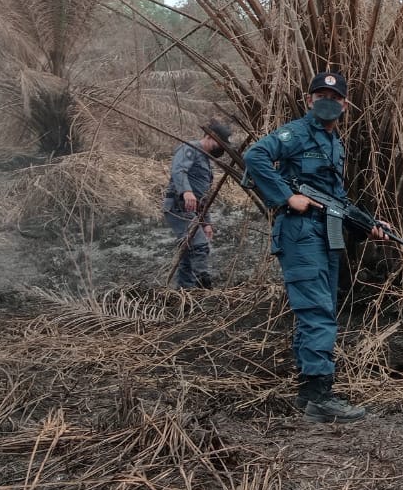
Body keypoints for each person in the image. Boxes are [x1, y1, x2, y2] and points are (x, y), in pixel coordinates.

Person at [243, 71, 386, 423]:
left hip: (325, 235)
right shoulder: (296, 133)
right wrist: (287, 196)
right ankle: (321, 398)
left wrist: (369, 225)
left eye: (335, 97)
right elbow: (255, 156)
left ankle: (310, 394)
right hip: (301, 235)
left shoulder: (336, 143)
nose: (328, 101)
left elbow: (336, 200)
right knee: (318, 312)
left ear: (345, 105)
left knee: (319, 312)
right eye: (320, 94)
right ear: (309, 100)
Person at [164, 120, 231, 289]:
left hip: (192, 211)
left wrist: (206, 222)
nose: (221, 148)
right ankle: (204, 287)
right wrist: (185, 191)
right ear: (209, 137)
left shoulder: (206, 161)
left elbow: (201, 197)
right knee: (199, 245)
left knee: (188, 253)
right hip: (178, 207)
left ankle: (185, 292)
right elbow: (179, 170)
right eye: (220, 143)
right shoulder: (190, 148)